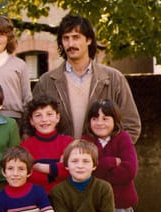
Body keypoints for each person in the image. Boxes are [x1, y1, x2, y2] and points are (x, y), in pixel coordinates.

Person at [32, 14, 141, 143]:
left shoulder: (114, 79)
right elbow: (32, 124)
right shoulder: (46, 82)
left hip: (102, 155)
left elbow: (131, 125)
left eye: (76, 37)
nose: (71, 44)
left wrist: (110, 151)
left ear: (89, 40)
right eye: (66, 38)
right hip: (59, 155)